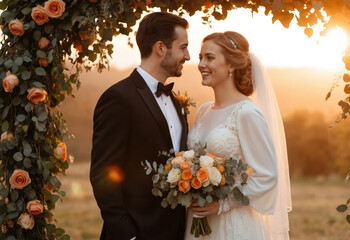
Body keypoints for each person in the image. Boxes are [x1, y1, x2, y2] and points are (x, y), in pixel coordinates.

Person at [90, 12, 190, 240]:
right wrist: (128, 234)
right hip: (136, 231)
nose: (188, 55)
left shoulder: (176, 102)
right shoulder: (118, 98)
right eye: (183, 47)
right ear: (160, 48)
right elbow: (102, 174)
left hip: (175, 232)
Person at [185, 31, 292, 240]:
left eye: (210, 57)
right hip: (197, 220)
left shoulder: (246, 112)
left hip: (232, 224)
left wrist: (222, 204)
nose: (201, 64)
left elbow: (267, 174)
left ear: (231, 65)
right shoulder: (204, 111)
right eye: (200, 57)